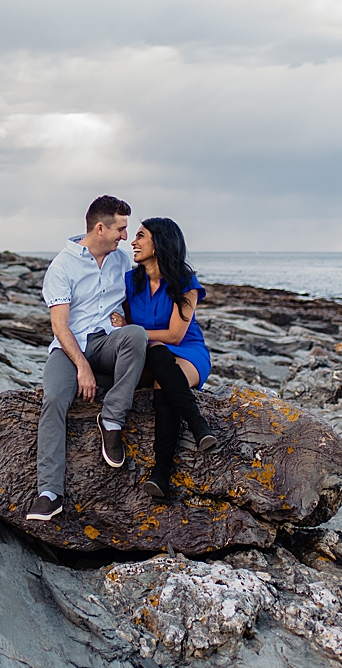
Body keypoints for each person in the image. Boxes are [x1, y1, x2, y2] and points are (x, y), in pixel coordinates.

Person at [26, 195, 148, 522]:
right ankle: (49, 493)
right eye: (121, 229)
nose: (125, 236)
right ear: (99, 228)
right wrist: (82, 367)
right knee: (53, 400)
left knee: (137, 335)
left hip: (107, 343)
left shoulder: (121, 261)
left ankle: (111, 420)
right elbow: (59, 326)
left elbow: (153, 280)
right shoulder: (62, 266)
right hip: (70, 348)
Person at [117, 216, 216, 499]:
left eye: (140, 236)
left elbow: (174, 335)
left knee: (162, 366)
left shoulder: (185, 282)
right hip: (150, 353)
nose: (133, 242)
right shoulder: (129, 282)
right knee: (156, 353)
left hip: (188, 351)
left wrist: (133, 331)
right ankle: (198, 424)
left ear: (159, 243)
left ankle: (161, 475)